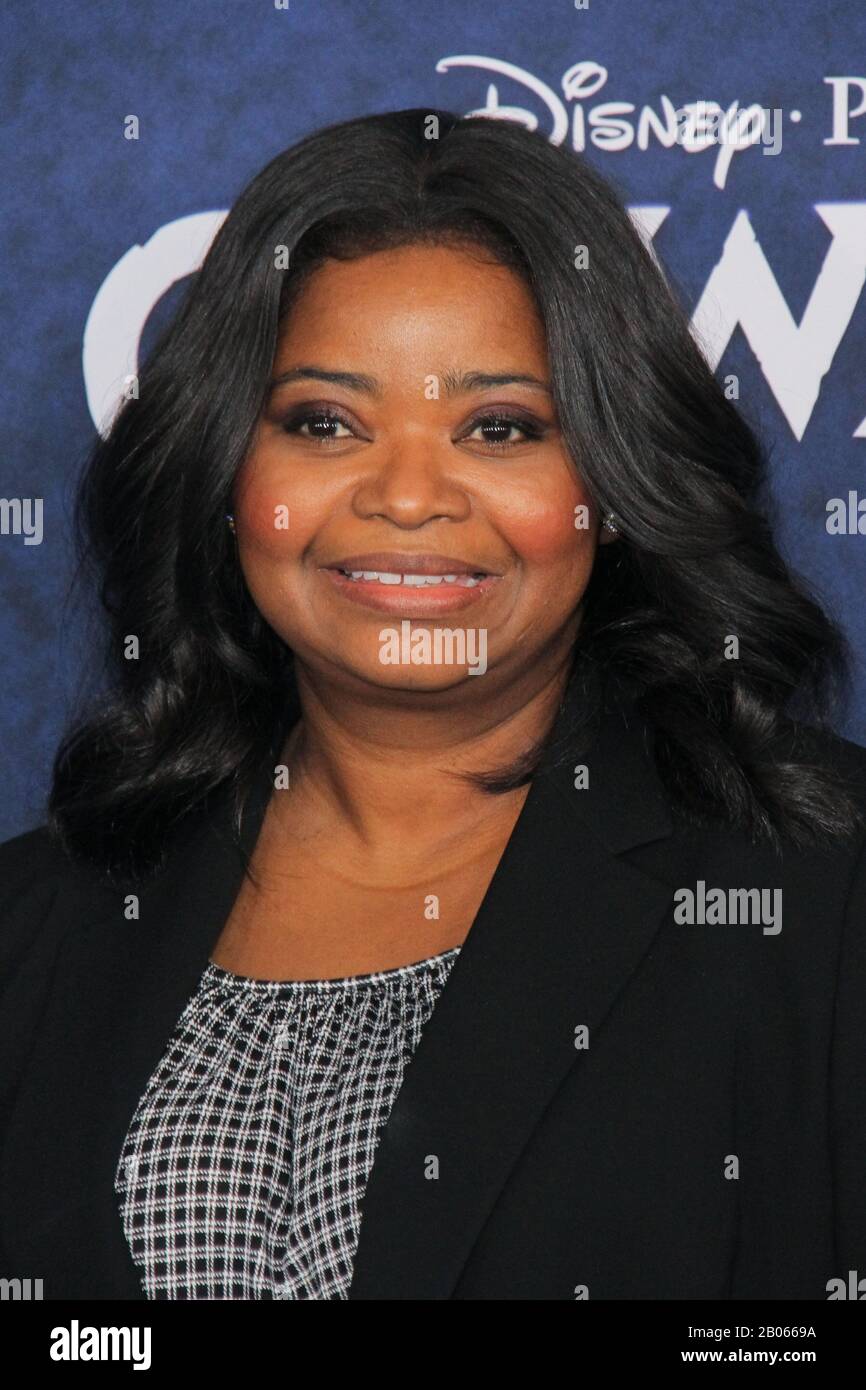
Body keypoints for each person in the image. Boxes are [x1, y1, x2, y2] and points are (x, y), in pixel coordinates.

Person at [1, 107, 865, 1301]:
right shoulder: (40, 923)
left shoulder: (817, 892)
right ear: (227, 473)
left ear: (610, 486)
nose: (408, 495)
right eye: (324, 421)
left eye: (497, 426)